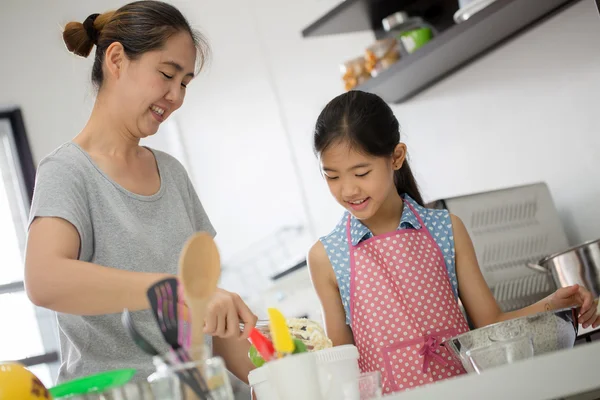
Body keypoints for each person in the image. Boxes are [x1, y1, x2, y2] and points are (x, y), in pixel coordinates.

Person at [307, 90, 600, 395]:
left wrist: (554, 304)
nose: (348, 189)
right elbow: (339, 367)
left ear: (396, 157)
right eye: (332, 177)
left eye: (361, 172)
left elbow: (491, 323)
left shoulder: (446, 229)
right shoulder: (326, 257)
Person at [24, 1, 256, 384]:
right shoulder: (67, 172)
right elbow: (45, 280)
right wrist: (169, 289)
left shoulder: (172, 173)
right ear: (116, 60)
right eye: (167, 74)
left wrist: (271, 377)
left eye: (184, 83)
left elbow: (205, 310)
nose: (176, 96)